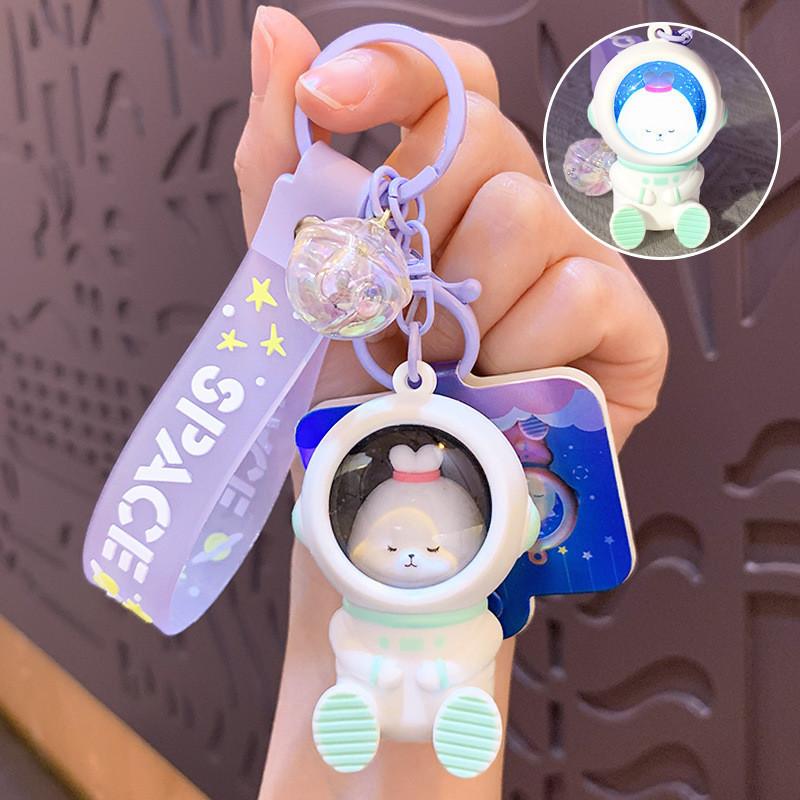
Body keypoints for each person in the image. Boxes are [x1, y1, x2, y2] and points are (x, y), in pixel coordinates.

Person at [234, 7, 668, 799]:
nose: (410, 558)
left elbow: (510, 526)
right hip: (365, 648)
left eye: (424, 545)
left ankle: (438, 708)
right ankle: (358, 704)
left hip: (448, 646)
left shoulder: (465, 549)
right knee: (365, 671)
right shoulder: (350, 545)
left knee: (446, 670)